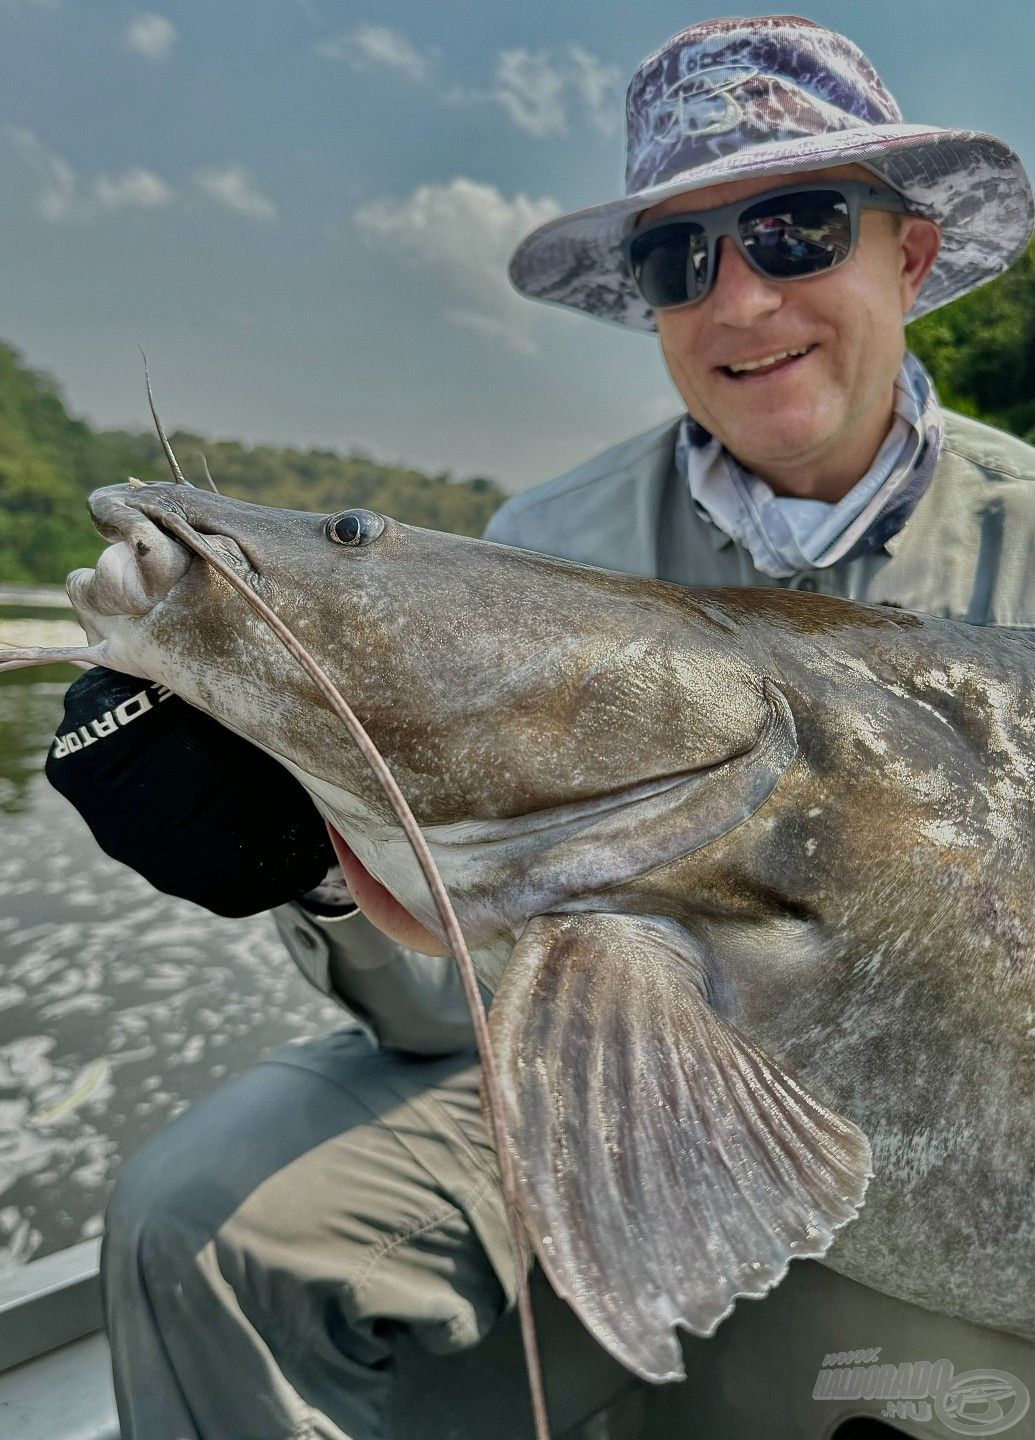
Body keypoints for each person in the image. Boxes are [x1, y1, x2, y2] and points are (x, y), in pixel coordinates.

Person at [45, 15, 1035, 1440]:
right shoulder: (543, 541)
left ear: (913, 257)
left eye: (800, 228)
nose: (742, 301)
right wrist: (314, 864)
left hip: (959, 1163)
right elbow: (454, 1020)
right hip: (619, 1092)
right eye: (677, 260)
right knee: (199, 1220)